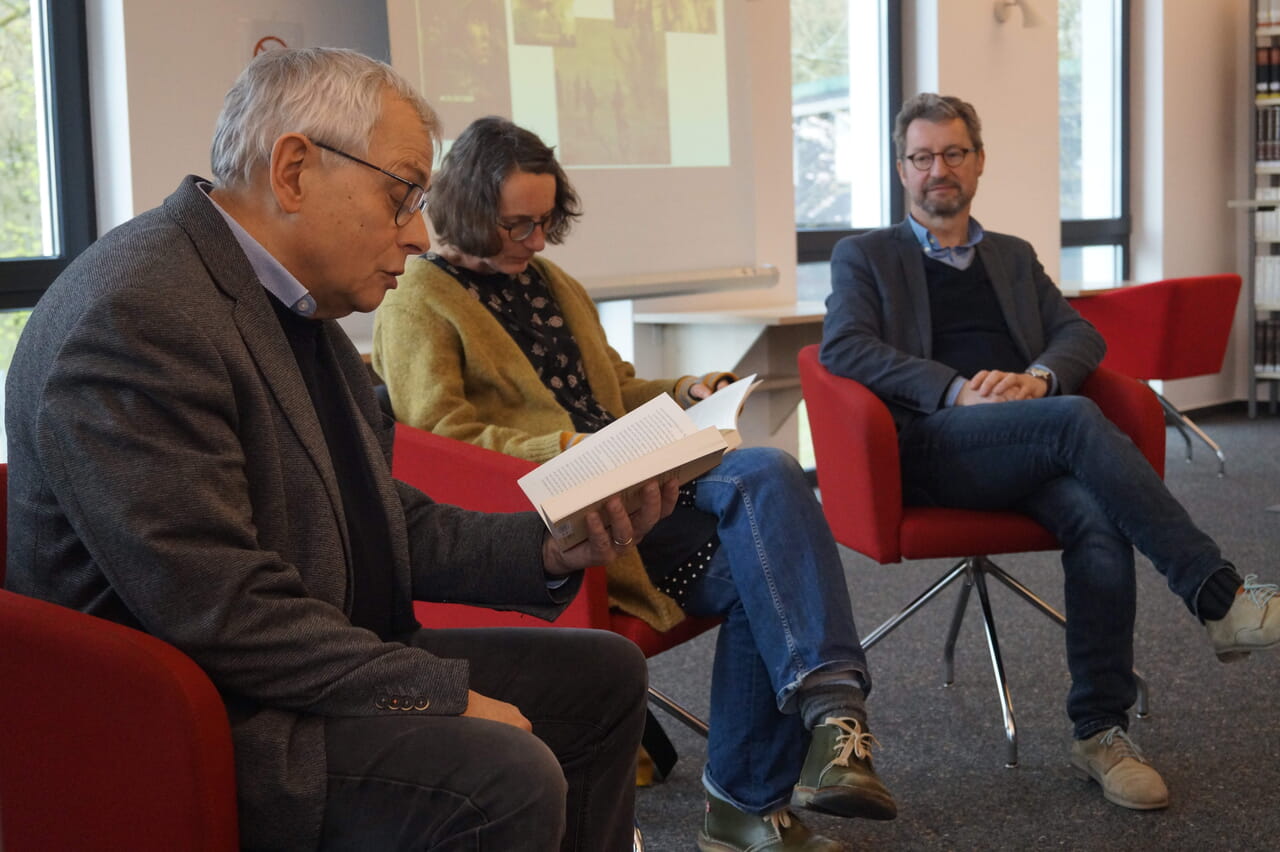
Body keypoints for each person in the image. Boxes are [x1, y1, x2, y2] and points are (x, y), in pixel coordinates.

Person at [3, 48, 679, 852]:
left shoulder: (293, 300)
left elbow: (379, 519)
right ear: (293, 171)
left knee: (604, 678)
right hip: (210, 721)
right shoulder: (137, 316)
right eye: (403, 194)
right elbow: (221, 609)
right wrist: (437, 695)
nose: (422, 234)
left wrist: (551, 546)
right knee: (506, 771)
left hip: (299, 668)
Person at [372, 115, 898, 852]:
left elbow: (613, 386)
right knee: (767, 482)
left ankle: (762, 789)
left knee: (767, 549)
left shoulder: (553, 281)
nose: (537, 241)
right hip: (573, 520)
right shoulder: (417, 298)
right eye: (518, 225)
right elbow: (437, 436)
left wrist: (685, 392)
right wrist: (570, 448)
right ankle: (818, 732)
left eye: (547, 221)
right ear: (466, 210)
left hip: (641, 487)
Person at [820, 92, 1280, 812]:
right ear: (902, 168)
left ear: (978, 162)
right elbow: (844, 346)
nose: (937, 169)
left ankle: (1100, 733)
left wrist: (1034, 380)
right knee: (1073, 420)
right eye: (921, 157)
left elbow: (1079, 336)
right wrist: (952, 391)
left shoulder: (1010, 255)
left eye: (952, 153)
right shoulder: (866, 256)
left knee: (1096, 515)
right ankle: (1217, 594)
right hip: (937, 447)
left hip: (1025, 440)